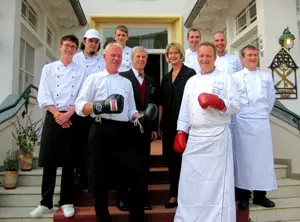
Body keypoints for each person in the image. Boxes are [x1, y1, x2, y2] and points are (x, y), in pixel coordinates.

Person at [75, 42, 156, 222]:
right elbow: (80, 107)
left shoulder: (126, 83)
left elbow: (130, 111)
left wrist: (142, 115)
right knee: (98, 178)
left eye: (119, 56)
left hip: (123, 132)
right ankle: (103, 218)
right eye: (113, 55)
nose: (116, 59)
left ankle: (136, 218)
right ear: (104, 56)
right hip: (100, 130)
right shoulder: (93, 79)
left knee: (132, 175)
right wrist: (100, 106)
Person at [173, 42, 240, 222]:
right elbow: (185, 110)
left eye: (208, 56)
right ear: (197, 57)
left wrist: (220, 103)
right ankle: (189, 217)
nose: (204, 59)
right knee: (190, 181)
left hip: (217, 137)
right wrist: (181, 131)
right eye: (201, 56)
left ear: (215, 57)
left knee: (216, 185)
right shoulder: (191, 81)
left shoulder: (226, 78)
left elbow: (236, 105)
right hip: (195, 138)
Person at [30, 35, 85, 218]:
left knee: (69, 163)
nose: (69, 49)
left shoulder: (81, 71)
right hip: (53, 116)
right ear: (60, 46)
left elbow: (81, 97)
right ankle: (45, 203)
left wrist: (68, 114)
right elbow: (44, 95)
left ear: (76, 50)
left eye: (73, 47)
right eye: (67, 45)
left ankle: (66, 202)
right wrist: (58, 115)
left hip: (72, 117)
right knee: (50, 162)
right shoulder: (49, 68)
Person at [232, 45, 277, 210]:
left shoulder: (266, 77)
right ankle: (244, 196)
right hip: (243, 123)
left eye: (255, 55)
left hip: (261, 123)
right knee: (244, 161)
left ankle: (261, 196)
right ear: (242, 58)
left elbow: (270, 99)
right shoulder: (235, 77)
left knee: (262, 161)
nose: (252, 58)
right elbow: (234, 99)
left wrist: (260, 114)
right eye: (249, 55)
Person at [117, 46, 158, 211]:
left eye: (143, 57)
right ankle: (122, 198)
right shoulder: (123, 78)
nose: (141, 59)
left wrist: (154, 127)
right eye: (138, 57)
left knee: (143, 164)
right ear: (131, 59)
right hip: (127, 127)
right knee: (125, 164)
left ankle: (141, 198)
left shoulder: (151, 81)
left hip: (145, 129)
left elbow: (153, 105)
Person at [158, 42, 196, 209]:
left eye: (176, 52)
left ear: (181, 54)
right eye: (170, 53)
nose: (173, 55)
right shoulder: (165, 78)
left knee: (185, 161)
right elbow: (161, 103)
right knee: (171, 161)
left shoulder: (190, 74)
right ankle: (173, 194)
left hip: (185, 125)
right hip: (168, 125)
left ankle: (187, 195)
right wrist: (159, 124)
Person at [72, 28, 105, 193]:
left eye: (96, 41)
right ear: (84, 41)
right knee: (79, 146)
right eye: (90, 40)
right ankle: (81, 178)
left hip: (96, 109)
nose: (93, 44)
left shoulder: (102, 59)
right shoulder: (75, 59)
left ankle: (94, 179)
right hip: (78, 109)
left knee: (94, 147)